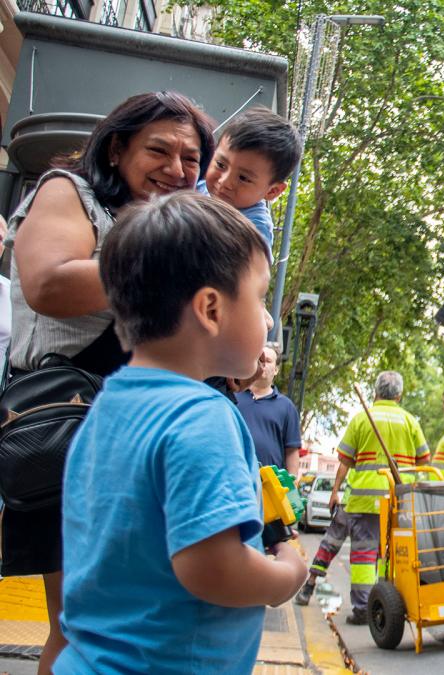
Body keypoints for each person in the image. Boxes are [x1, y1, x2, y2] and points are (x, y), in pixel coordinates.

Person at [0, 91, 214, 674]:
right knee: (82, 626)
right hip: (73, 431)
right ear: (117, 149)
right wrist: (169, 262)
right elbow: (48, 284)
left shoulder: (177, 226)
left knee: (135, 621)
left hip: (144, 439)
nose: (176, 169)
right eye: (159, 150)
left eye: (191, 159)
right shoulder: (69, 193)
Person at [57, 192, 307, 672]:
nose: (268, 318)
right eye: (258, 297)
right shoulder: (201, 416)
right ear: (210, 309)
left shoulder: (107, 406)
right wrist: (286, 574)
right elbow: (214, 569)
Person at [321, 372, 428, 624]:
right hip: (399, 500)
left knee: (363, 556)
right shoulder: (410, 421)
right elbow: (424, 460)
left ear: (375, 392)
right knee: (388, 554)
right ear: (399, 395)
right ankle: (384, 604)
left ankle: (362, 609)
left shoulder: (361, 419)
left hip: (365, 500)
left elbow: (345, 462)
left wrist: (335, 491)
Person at [199, 106, 301, 248]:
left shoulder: (253, 230)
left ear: (272, 191)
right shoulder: (196, 188)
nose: (224, 182)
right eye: (221, 165)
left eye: (243, 178)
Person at [236, 343, 302, 474]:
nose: (263, 364)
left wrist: (292, 486)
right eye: (259, 360)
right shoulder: (233, 398)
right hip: (235, 477)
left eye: (268, 361)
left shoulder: (286, 407)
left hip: (269, 486)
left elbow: (292, 451)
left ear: (276, 369)